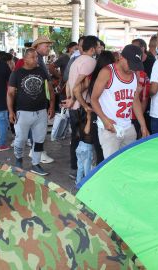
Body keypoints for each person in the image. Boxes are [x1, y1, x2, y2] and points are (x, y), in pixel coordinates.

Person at [91, 45, 150, 158]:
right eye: (131, 64)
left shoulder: (134, 75)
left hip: (128, 128)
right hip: (110, 130)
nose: (133, 69)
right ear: (121, 58)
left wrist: (143, 125)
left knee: (128, 165)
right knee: (111, 168)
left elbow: (135, 100)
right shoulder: (107, 72)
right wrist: (105, 120)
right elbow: (94, 99)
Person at [7, 48, 55, 176]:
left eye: (37, 57)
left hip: (41, 112)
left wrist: (51, 106)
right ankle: (18, 160)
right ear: (25, 59)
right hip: (23, 113)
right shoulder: (16, 74)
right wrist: (11, 111)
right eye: (33, 57)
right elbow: (10, 93)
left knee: (39, 140)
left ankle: (36, 164)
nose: (36, 59)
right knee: (21, 139)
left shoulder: (41, 71)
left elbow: (50, 89)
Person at [65, 35, 99, 179]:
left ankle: (75, 169)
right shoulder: (91, 62)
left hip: (74, 108)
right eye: (97, 47)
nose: (99, 49)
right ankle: (85, 174)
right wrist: (78, 102)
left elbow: (69, 83)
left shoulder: (75, 60)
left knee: (76, 140)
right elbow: (77, 87)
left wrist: (69, 100)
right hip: (82, 108)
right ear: (92, 49)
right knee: (87, 143)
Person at [32, 36, 55, 164]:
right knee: (39, 128)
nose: (48, 48)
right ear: (38, 47)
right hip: (39, 98)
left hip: (40, 98)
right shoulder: (37, 60)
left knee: (39, 128)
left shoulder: (39, 59)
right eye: (46, 46)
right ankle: (38, 153)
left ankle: (37, 151)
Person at [76, 108, 93, 185]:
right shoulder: (87, 123)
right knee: (87, 169)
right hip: (86, 148)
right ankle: (87, 185)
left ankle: (78, 182)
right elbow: (87, 131)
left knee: (80, 167)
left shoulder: (79, 123)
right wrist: (89, 119)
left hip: (80, 146)